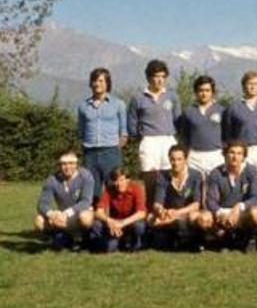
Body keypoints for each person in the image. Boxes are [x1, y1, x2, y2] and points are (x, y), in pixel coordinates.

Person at [127, 59, 181, 209]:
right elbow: (132, 123)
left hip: (168, 140)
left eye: (163, 76)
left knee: (170, 176)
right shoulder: (138, 98)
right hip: (149, 141)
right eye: (156, 76)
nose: (160, 80)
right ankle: (151, 213)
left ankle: (169, 213)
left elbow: (178, 120)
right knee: (150, 179)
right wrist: (141, 138)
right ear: (149, 77)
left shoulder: (172, 96)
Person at [201, 140, 257, 252]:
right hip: (222, 214)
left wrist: (239, 207)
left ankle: (250, 240)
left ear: (244, 157)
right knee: (204, 218)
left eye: (239, 153)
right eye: (232, 152)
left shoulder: (251, 171)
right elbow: (211, 201)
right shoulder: (216, 173)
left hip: (242, 212)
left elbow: (255, 198)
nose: (235, 157)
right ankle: (222, 240)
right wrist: (221, 213)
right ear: (225, 154)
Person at [77, 68, 128, 202]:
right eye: (94, 80)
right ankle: (95, 221)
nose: (97, 83)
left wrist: (115, 149)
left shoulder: (119, 104)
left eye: (100, 80)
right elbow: (81, 131)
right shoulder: (83, 106)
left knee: (115, 188)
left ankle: (116, 220)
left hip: (111, 153)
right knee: (91, 190)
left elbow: (124, 133)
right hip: (90, 154)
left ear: (107, 83)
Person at [223, 71, 257, 187]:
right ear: (243, 86)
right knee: (243, 181)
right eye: (249, 83)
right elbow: (228, 132)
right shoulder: (233, 107)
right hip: (243, 150)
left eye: (255, 84)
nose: (252, 86)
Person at [33, 151, 95, 249]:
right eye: (64, 164)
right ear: (59, 165)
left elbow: (86, 202)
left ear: (76, 164)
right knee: (38, 220)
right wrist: (52, 214)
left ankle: (83, 238)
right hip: (60, 219)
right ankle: (57, 237)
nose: (67, 167)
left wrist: (66, 213)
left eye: (71, 163)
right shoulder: (52, 180)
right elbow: (42, 204)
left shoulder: (86, 176)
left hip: (77, 215)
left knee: (86, 217)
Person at [149, 145, 202, 250]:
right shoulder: (162, 176)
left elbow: (196, 204)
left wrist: (178, 213)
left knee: (193, 217)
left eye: (179, 159)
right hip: (169, 213)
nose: (175, 163)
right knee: (151, 219)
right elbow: (157, 202)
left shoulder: (195, 175)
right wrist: (161, 210)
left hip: (187, 213)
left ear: (185, 160)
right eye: (172, 159)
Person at [177, 75, 224, 176]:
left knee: (214, 189)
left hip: (216, 155)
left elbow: (228, 134)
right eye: (201, 90)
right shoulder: (188, 111)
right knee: (196, 189)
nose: (204, 94)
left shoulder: (222, 110)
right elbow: (183, 137)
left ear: (212, 92)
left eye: (207, 90)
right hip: (194, 156)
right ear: (196, 92)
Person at [92, 167, 147, 252]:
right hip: (115, 224)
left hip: (130, 223)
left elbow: (141, 213)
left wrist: (122, 223)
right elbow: (98, 212)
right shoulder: (109, 190)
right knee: (97, 224)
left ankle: (135, 243)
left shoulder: (136, 188)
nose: (118, 183)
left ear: (128, 180)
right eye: (115, 180)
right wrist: (109, 221)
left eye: (121, 180)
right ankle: (114, 242)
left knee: (139, 226)